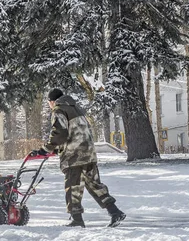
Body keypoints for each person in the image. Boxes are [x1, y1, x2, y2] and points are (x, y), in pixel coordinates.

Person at [31, 88, 126, 228]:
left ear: (52, 101)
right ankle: (114, 212)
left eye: (49, 103)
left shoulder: (59, 109)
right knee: (95, 184)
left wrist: (46, 149)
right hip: (88, 153)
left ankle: (77, 219)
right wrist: (58, 149)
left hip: (74, 157)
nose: (50, 105)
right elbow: (76, 133)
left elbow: (60, 133)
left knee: (72, 187)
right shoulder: (76, 108)